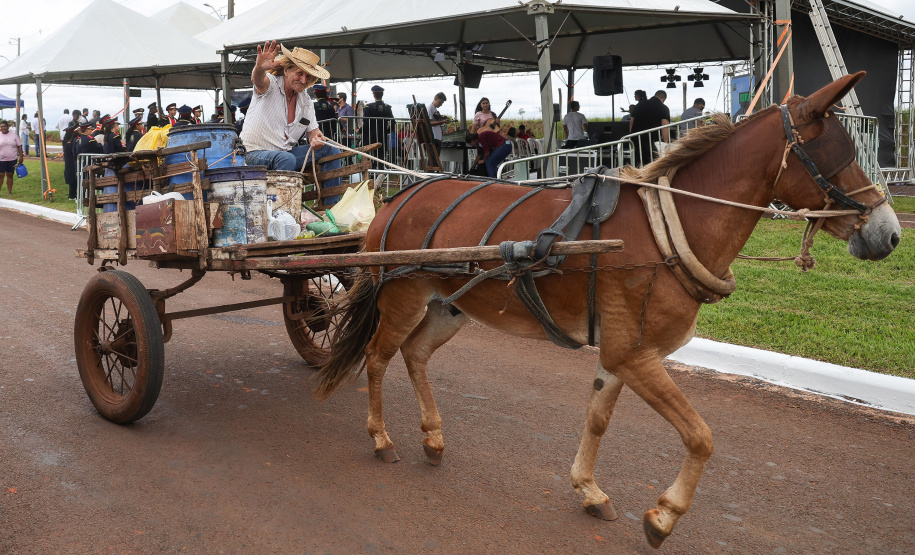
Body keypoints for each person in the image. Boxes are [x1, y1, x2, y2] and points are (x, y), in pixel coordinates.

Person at [239, 41, 343, 201]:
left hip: (285, 155)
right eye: (300, 73)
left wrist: (317, 140)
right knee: (286, 159)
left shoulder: (306, 101)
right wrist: (259, 68)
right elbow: (258, 80)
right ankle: (283, 210)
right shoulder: (271, 84)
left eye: (308, 76)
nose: (303, 80)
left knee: (331, 149)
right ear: (286, 70)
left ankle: (331, 207)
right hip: (253, 153)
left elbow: (314, 134)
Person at [629, 90, 670, 166]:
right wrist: (665, 142)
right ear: (663, 99)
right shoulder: (663, 108)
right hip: (652, 142)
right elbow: (665, 126)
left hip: (636, 140)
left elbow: (631, 123)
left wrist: (632, 135)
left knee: (637, 164)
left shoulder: (638, 105)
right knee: (651, 166)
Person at [362, 85, 394, 166]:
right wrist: (386, 132)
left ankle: (371, 175)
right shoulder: (387, 107)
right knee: (381, 158)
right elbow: (393, 123)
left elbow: (366, 123)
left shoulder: (368, 107)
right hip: (382, 136)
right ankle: (381, 174)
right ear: (381, 94)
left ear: (374, 94)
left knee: (369, 156)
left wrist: (360, 131)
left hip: (370, 136)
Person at [0, 120, 24, 196]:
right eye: (1, 126)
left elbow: (19, 146)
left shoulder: (14, 135)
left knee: (10, 175)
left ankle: (9, 191)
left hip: (12, 159)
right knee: (1, 175)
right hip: (1, 159)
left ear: (8, 127)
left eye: (5, 126)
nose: (3, 128)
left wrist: (21, 156)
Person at [61, 121, 79, 200]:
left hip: (70, 164)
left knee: (73, 180)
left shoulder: (67, 142)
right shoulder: (70, 143)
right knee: (73, 180)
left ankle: (72, 195)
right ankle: (72, 195)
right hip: (71, 163)